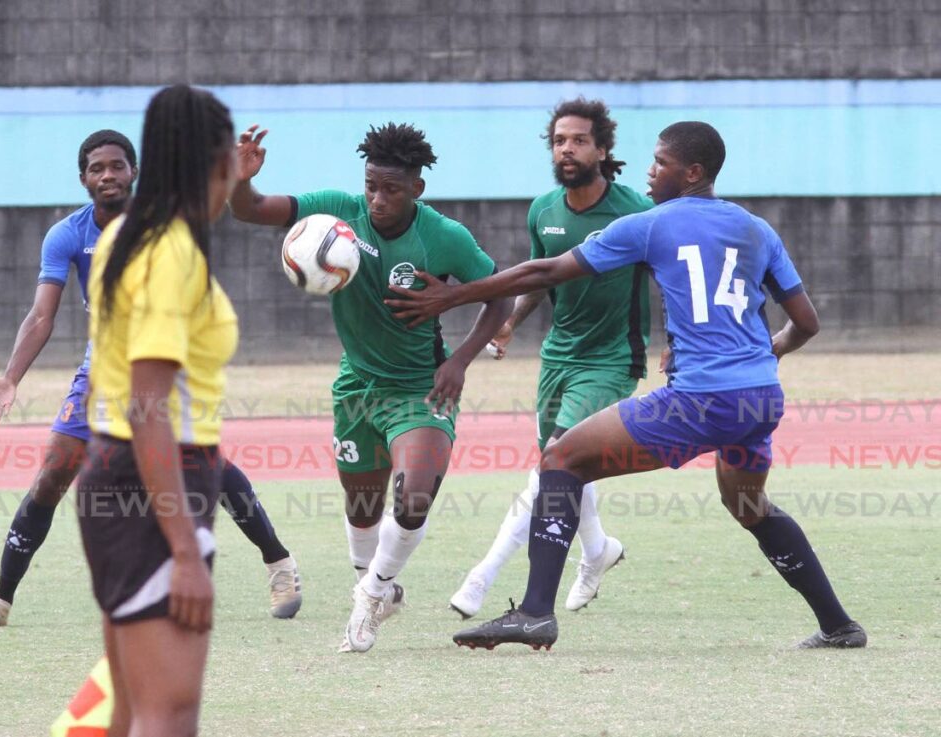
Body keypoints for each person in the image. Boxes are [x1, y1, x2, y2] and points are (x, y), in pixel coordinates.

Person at [386, 121, 867, 651]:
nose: (649, 170)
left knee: (560, 460)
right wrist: (765, 351)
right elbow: (806, 322)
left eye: (660, 162)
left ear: (693, 172)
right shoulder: (757, 229)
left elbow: (545, 272)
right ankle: (839, 626)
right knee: (750, 506)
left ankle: (533, 612)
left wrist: (451, 298)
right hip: (758, 399)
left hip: (700, 400)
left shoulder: (651, 224)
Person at [0, 130, 301, 629]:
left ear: (133, 172)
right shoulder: (68, 235)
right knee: (54, 472)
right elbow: (40, 316)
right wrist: (12, 377)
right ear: (84, 179)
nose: (107, 175)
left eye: (116, 166)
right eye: (97, 168)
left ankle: (280, 564)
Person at [230, 122, 512, 652]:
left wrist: (461, 360)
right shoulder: (337, 212)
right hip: (357, 385)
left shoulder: (444, 237)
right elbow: (248, 210)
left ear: (417, 190)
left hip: (421, 387)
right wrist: (241, 181)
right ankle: (379, 582)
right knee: (363, 506)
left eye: (392, 190)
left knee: (414, 495)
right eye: (371, 187)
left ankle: (369, 598)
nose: (378, 200)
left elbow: (499, 295)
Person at [77, 84, 239, 736]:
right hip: (158, 485)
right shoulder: (171, 252)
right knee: (168, 717)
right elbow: (150, 405)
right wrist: (183, 550)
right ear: (218, 156)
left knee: (128, 713)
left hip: (118, 476)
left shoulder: (127, 233)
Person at [450, 98, 652, 619]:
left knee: (551, 463)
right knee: (566, 469)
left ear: (602, 149)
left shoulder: (636, 212)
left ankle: (484, 574)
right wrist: (512, 322)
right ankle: (599, 550)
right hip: (558, 356)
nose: (567, 148)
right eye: (560, 140)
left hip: (611, 359)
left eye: (579, 140)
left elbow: (668, 275)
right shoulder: (542, 210)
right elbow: (542, 280)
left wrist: (677, 338)